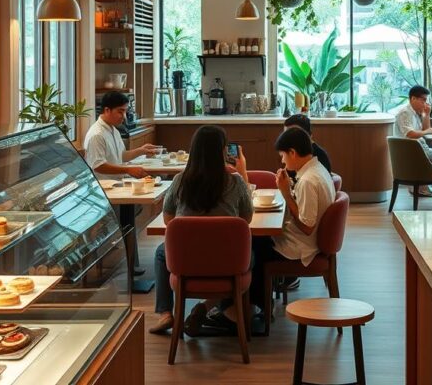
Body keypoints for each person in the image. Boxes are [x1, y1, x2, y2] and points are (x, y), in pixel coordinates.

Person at [148, 125, 253, 336]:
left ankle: (166, 314)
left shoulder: (180, 181)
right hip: (228, 262)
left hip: (187, 262)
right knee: (252, 255)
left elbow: (170, 219)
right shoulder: (235, 182)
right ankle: (221, 308)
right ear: (222, 151)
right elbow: (246, 219)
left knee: (161, 253)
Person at [242, 127, 335, 320]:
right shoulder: (318, 170)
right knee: (257, 241)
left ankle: (256, 307)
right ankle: (255, 304)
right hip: (310, 241)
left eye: (283, 155)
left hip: (301, 248)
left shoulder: (309, 180)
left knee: (251, 247)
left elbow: (307, 226)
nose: (282, 160)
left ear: (292, 152)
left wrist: (285, 193)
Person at [83, 92, 159, 179]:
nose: (124, 116)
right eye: (120, 112)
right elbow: (98, 166)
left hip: (119, 182)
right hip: (105, 187)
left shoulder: (114, 130)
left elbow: (121, 156)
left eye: (125, 112)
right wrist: (127, 170)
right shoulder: (97, 135)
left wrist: (141, 150)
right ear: (107, 110)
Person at [394, 85, 432, 197]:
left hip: (420, 148)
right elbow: (410, 134)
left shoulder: (414, 113)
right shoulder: (405, 113)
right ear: (413, 99)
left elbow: (425, 129)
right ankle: (422, 186)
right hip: (413, 151)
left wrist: (426, 115)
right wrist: (428, 131)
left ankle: (422, 185)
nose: (425, 103)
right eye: (423, 100)